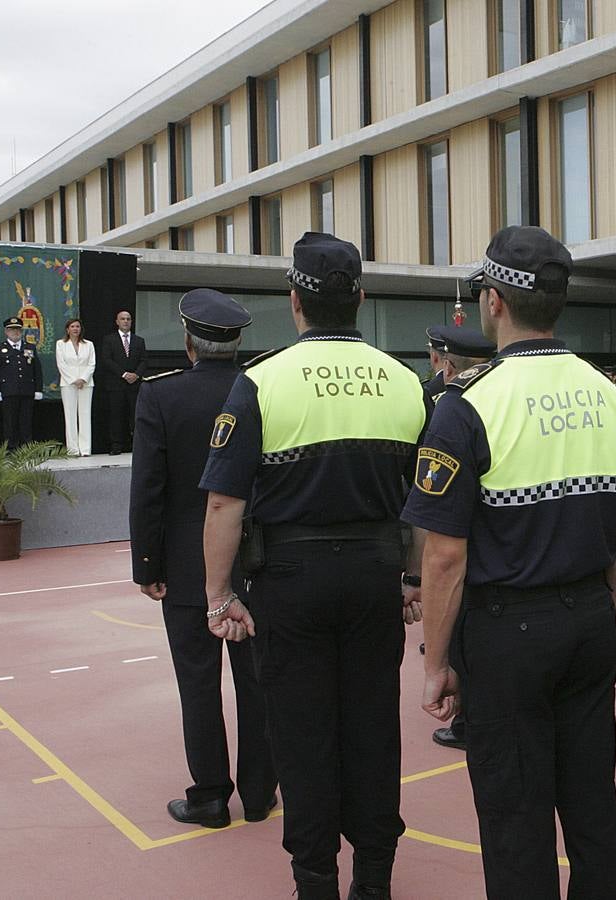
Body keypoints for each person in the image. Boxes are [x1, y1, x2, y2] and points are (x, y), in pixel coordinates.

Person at [403, 225, 616, 900]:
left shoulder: (468, 405)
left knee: (514, 814)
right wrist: (599, 610)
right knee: (592, 802)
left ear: (494, 303)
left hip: (510, 632)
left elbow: (445, 556)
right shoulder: (609, 396)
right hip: (591, 619)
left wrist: (435, 664)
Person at [199, 232, 429, 900]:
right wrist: (411, 578)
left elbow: (223, 504)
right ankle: (375, 880)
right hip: (374, 579)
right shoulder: (406, 382)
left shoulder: (260, 383)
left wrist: (219, 594)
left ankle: (316, 882)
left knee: (302, 737)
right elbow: (422, 505)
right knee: (373, 730)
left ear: (294, 300)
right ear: (359, 298)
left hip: (290, 584)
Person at [129, 289, 276, 830]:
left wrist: (147, 564)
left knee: (197, 685)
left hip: (189, 567)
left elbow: (148, 488)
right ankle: (261, 794)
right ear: (237, 343)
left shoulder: (160, 396)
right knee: (258, 684)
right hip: (256, 562)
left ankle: (210, 796)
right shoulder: (261, 390)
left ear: (189, 342)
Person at [420, 323, 497, 753]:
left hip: (468, 548)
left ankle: (468, 719)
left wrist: (436, 663)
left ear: (448, 365)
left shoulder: (453, 404)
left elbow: (443, 555)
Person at [0, 316, 43, 449]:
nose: (15, 332)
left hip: (27, 391)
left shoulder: (30, 347)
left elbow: (37, 370)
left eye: (17, 329)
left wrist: (38, 389)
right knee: (9, 422)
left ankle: (26, 449)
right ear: (6, 332)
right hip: (8, 391)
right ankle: (11, 449)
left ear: (22, 331)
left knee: (26, 422)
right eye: (12, 330)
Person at [100, 310, 147, 454]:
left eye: (128, 319)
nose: (126, 321)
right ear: (117, 322)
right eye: (123, 319)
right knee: (116, 416)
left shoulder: (139, 340)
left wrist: (136, 375)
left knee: (135, 416)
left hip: (134, 385)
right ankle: (116, 445)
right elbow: (107, 360)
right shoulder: (109, 339)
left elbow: (144, 361)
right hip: (116, 384)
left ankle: (136, 445)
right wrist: (124, 374)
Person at [55, 318, 96, 456]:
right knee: (70, 415)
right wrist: (74, 380)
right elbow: (61, 364)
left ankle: (85, 449)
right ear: (68, 329)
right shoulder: (61, 344)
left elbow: (92, 364)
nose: (75, 329)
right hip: (68, 383)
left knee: (85, 415)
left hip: (86, 383)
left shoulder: (89, 344)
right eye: (72, 326)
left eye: (77, 326)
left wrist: (83, 379)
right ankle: (72, 449)